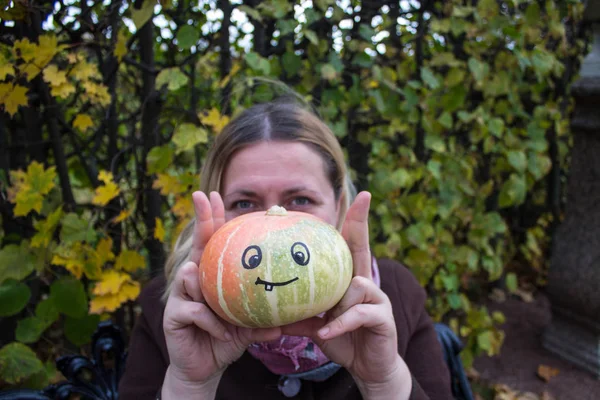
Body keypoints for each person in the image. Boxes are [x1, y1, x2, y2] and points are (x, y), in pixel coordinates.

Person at [118, 99, 453, 399]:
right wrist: (188, 387)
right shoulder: (173, 313)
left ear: (337, 207)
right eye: (245, 202)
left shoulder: (396, 293)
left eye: (301, 200)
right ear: (216, 211)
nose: (272, 226)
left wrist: (385, 384)